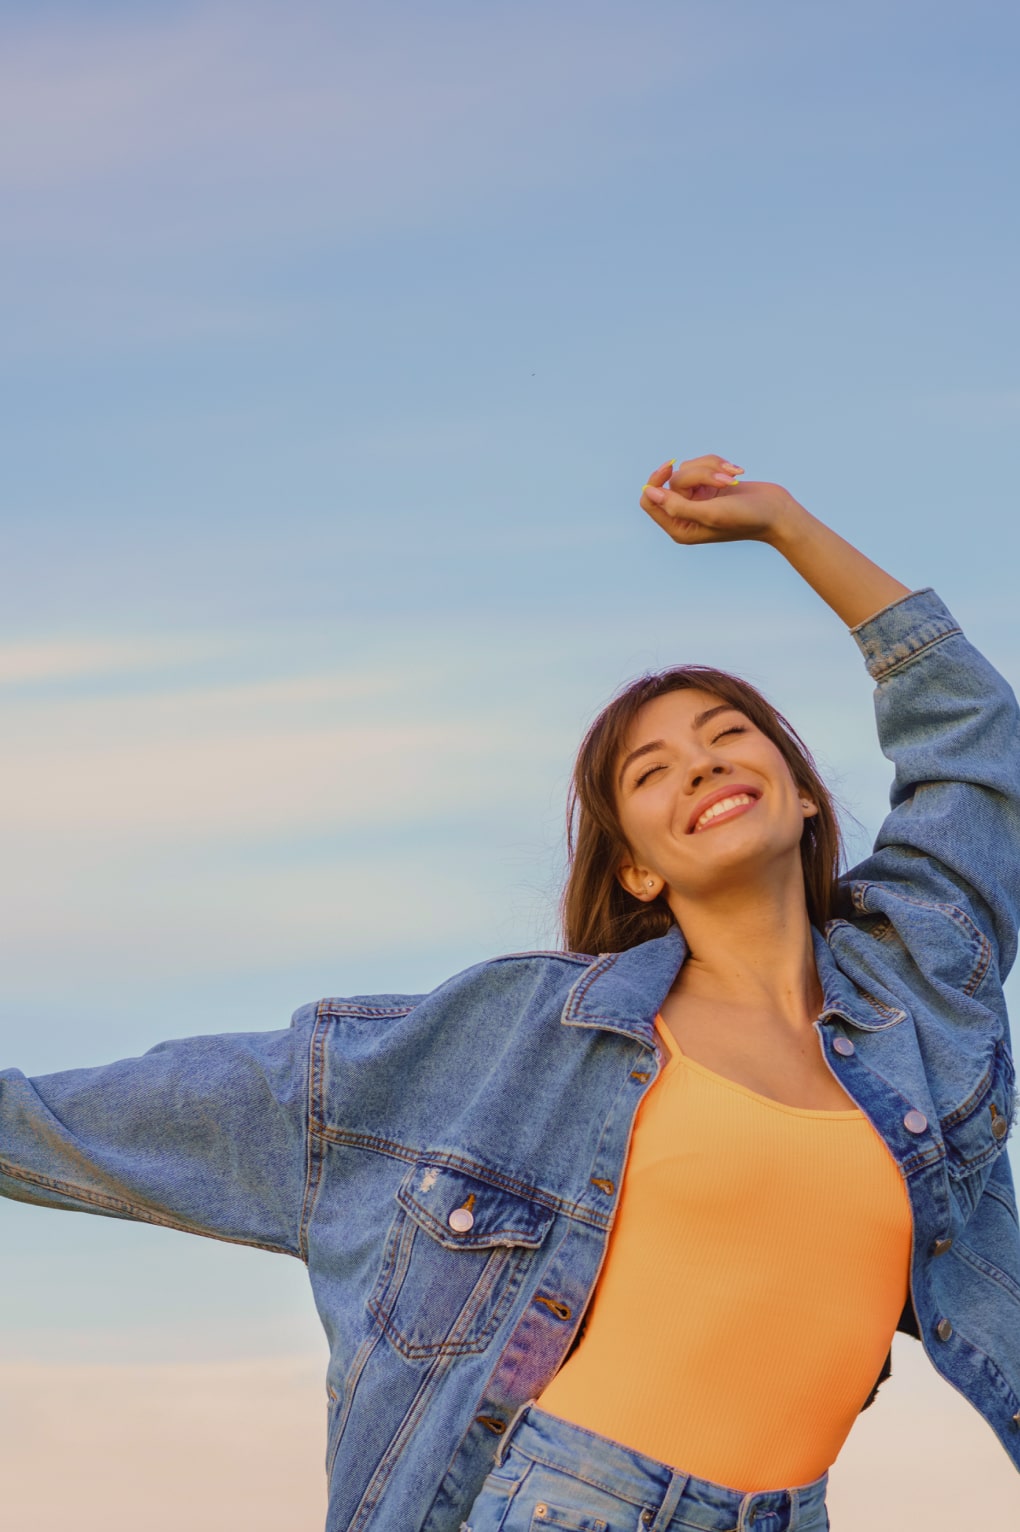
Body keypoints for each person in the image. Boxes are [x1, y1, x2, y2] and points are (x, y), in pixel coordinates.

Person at [2, 452, 1019, 1532]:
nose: (702, 768)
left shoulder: (913, 982)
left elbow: (974, 737)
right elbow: (242, 1100)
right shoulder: (536, 1034)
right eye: (653, 771)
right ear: (636, 867)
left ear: (806, 796)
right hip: (569, 1503)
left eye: (728, 738)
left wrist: (786, 526)